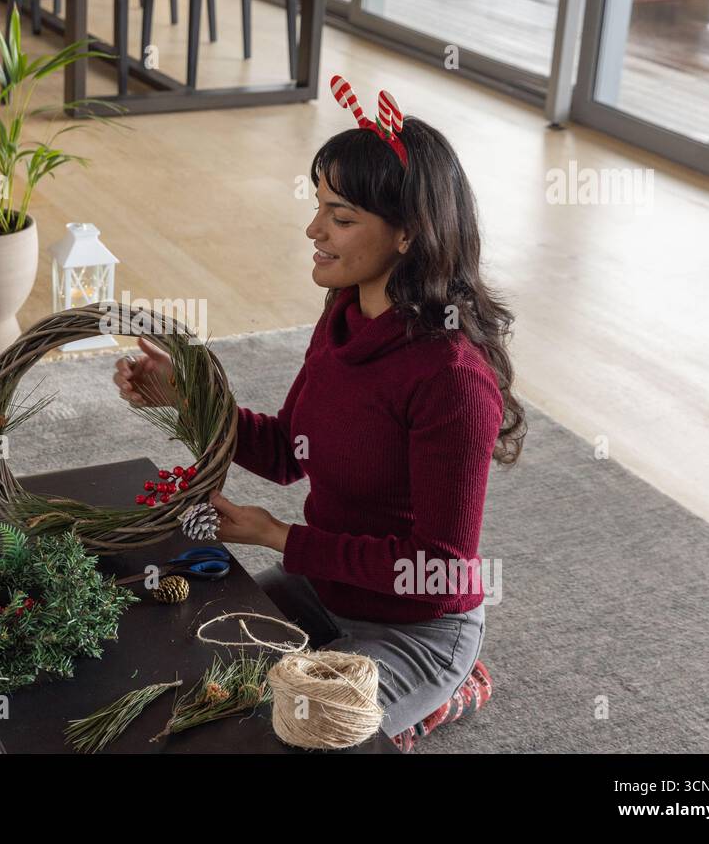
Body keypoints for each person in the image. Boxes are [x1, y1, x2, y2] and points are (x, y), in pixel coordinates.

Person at [112, 81, 525, 751]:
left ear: (406, 235)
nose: (313, 230)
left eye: (340, 216)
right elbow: (285, 450)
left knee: (294, 735)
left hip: (418, 626)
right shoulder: (344, 310)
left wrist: (278, 536)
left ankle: (442, 685)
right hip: (326, 586)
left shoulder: (451, 379)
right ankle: (405, 700)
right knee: (182, 657)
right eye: (318, 208)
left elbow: (440, 569)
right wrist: (188, 397)